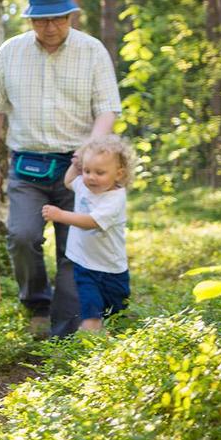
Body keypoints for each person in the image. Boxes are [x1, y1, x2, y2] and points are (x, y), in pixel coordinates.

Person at [0, 0, 121, 339]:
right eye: (41, 19)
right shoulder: (10, 51)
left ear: (70, 16)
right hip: (27, 166)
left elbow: (107, 109)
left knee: (75, 245)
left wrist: (90, 149)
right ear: (30, 18)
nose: (50, 26)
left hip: (79, 167)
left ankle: (65, 326)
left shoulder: (92, 51)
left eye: (58, 18)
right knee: (22, 236)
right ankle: (37, 304)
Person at [41, 134, 136, 332]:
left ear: (119, 174)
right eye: (87, 170)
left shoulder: (114, 200)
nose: (91, 177)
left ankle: (117, 346)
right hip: (85, 266)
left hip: (112, 270)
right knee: (90, 314)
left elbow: (91, 222)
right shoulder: (85, 185)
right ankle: (89, 351)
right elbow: (69, 182)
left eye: (99, 172)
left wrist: (60, 215)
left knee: (116, 315)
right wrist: (75, 166)